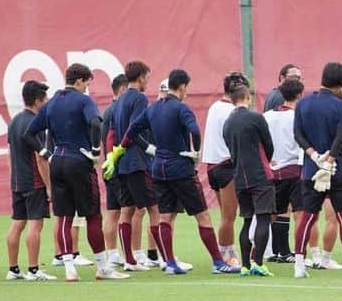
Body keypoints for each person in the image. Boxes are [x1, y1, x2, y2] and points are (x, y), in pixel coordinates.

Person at [124, 69, 236, 275]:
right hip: (181, 169)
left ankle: (170, 263)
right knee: (203, 216)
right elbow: (194, 130)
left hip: (159, 169)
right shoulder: (182, 109)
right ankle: (218, 263)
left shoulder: (153, 108)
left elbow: (131, 132)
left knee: (164, 217)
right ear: (183, 86)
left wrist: (150, 149)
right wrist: (195, 151)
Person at [25, 63, 127, 282]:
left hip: (57, 161)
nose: (87, 88)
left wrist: (46, 153)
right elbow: (94, 123)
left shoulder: (51, 103)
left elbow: (29, 133)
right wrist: (95, 151)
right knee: (92, 216)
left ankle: (70, 270)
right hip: (79, 161)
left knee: (63, 217)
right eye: (87, 83)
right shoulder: (83, 100)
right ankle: (103, 268)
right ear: (79, 81)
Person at [293, 62, 342, 278]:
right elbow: (340, 137)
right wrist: (329, 160)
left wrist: (313, 155)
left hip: (310, 169)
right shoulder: (341, 105)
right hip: (336, 170)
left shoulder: (303, 103)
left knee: (307, 217)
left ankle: (299, 266)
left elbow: (297, 134)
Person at [103, 60, 162, 273]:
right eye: (147, 77)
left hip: (122, 164)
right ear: (140, 77)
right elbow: (134, 129)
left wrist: (112, 156)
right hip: (137, 162)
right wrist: (150, 149)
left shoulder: (118, 101)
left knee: (126, 211)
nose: (148, 81)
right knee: (155, 209)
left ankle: (129, 260)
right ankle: (166, 258)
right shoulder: (139, 98)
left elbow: (112, 133)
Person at [222, 84, 276, 277]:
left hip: (239, 177)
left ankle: (245, 265)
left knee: (246, 220)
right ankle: (258, 263)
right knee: (263, 218)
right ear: (247, 97)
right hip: (259, 174)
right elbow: (268, 145)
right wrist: (266, 162)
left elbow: (229, 148)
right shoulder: (255, 118)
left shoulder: (227, 123)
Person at [6, 80, 55, 281]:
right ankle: (34, 270)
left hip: (17, 181)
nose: (47, 102)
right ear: (37, 101)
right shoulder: (35, 124)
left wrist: (14, 175)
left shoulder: (14, 121)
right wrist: (49, 186)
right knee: (36, 226)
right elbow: (40, 158)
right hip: (34, 182)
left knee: (17, 224)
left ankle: (13, 269)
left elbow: (9, 153)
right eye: (45, 99)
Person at [202, 71, 247, 268]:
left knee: (225, 216)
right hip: (226, 165)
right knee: (229, 217)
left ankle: (228, 252)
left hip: (213, 166)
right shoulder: (231, 111)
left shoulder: (215, 107)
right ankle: (224, 257)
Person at [264, 77, 305, 263]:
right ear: (299, 95)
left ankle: (280, 251)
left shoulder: (267, 116)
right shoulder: (298, 116)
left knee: (278, 211)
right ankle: (299, 252)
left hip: (274, 169)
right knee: (299, 212)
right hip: (295, 168)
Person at [99, 73, 128, 269]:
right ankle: (133, 255)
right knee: (127, 211)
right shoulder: (118, 110)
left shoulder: (107, 111)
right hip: (119, 166)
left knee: (113, 212)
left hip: (108, 165)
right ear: (123, 89)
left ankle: (111, 253)